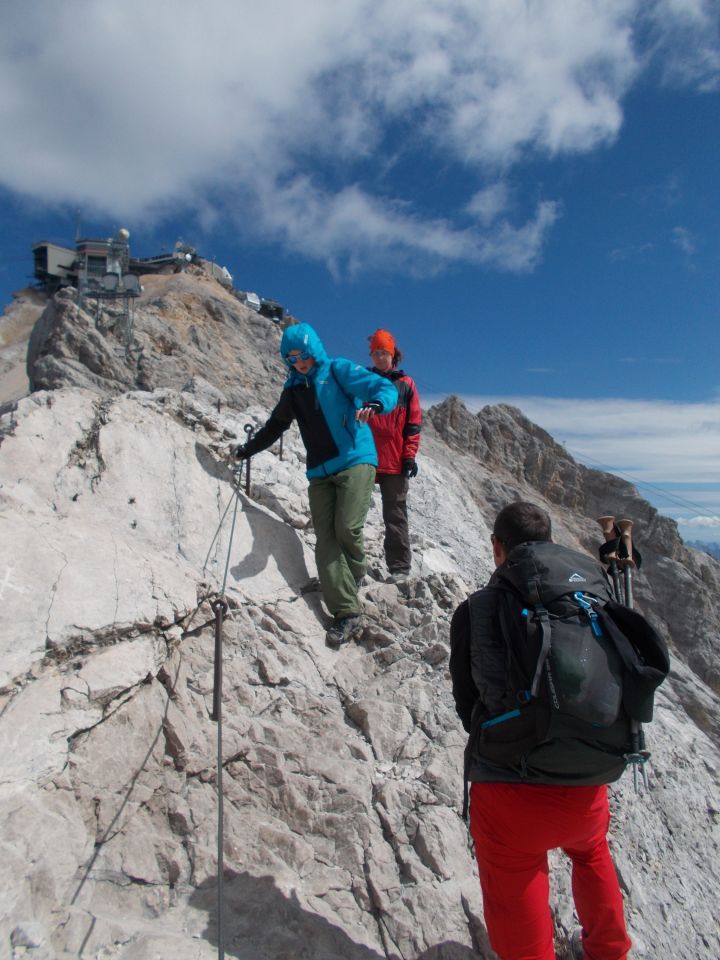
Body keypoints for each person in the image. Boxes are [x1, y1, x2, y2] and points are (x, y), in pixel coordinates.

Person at [449, 501, 632, 960]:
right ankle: (608, 950)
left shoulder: (475, 610)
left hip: (511, 791)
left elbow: (467, 705)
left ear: (497, 547)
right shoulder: (592, 594)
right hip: (588, 780)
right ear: (549, 540)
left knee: (516, 880)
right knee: (591, 855)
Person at [234, 322, 398, 647]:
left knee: (347, 528)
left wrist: (376, 406)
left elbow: (383, 389)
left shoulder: (337, 371)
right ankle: (346, 613)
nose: (298, 362)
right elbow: (274, 427)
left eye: (303, 355)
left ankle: (355, 571)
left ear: (314, 350)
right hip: (319, 473)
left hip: (355, 459)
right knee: (325, 540)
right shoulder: (293, 390)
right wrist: (246, 450)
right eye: (291, 357)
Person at [366, 329, 422, 581]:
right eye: (375, 353)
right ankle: (352, 564)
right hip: (364, 455)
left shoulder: (406, 384)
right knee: (353, 509)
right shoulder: (364, 380)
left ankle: (399, 568)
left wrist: (409, 455)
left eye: (384, 353)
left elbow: (413, 423)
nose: (379, 357)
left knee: (396, 515)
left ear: (393, 355)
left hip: (394, 459)